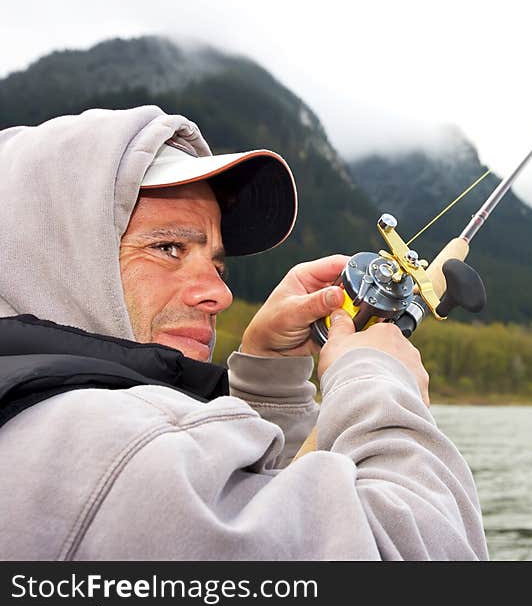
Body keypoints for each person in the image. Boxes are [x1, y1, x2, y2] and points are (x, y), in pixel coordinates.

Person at [0, 106, 488, 560]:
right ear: (52, 258)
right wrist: (381, 386)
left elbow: (265, 532)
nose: (219, 293)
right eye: (168, 248)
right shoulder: (118, 454)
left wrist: (266, 381)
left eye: (217, 263)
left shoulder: (37, 423)